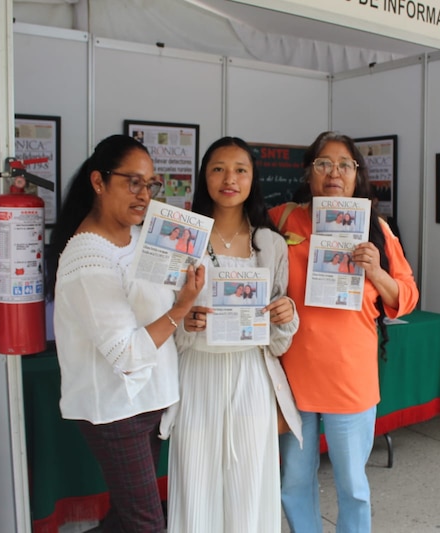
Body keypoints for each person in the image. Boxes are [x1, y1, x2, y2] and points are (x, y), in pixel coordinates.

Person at [46, 134, 205, 532]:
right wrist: (180, 307)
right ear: (99, 182)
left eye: (150, 184)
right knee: (147, 523)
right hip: (118, 410)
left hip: (148, 401)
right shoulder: (87, 258)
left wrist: (186, 310)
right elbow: (128, 353)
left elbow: (156, 310)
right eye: (132, 182)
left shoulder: (139, 238)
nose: (144, 194)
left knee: (127, 516)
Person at [270, 131, 419, 533]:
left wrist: (376, 271)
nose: (333, 172)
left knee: (353, 484)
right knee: (294, 482)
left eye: (344, 165)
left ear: (356, 175)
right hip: (293, 378)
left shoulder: (377, 229)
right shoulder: (282, 219)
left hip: (350, 377)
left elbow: (406, 296)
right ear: (308, 172)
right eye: (323, 163)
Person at [161, 136, 302, 533]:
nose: (229, 178)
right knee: (196, 481)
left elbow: (277, 339)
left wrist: (285, 314)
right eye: (218, 168)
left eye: (240, 169)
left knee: (249, 483)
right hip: (197, 375)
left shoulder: (270, 244)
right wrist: (185, 323)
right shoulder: (184, 240)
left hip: (251, 376)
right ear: (204, 177)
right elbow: (162, 317)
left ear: (252, 178)